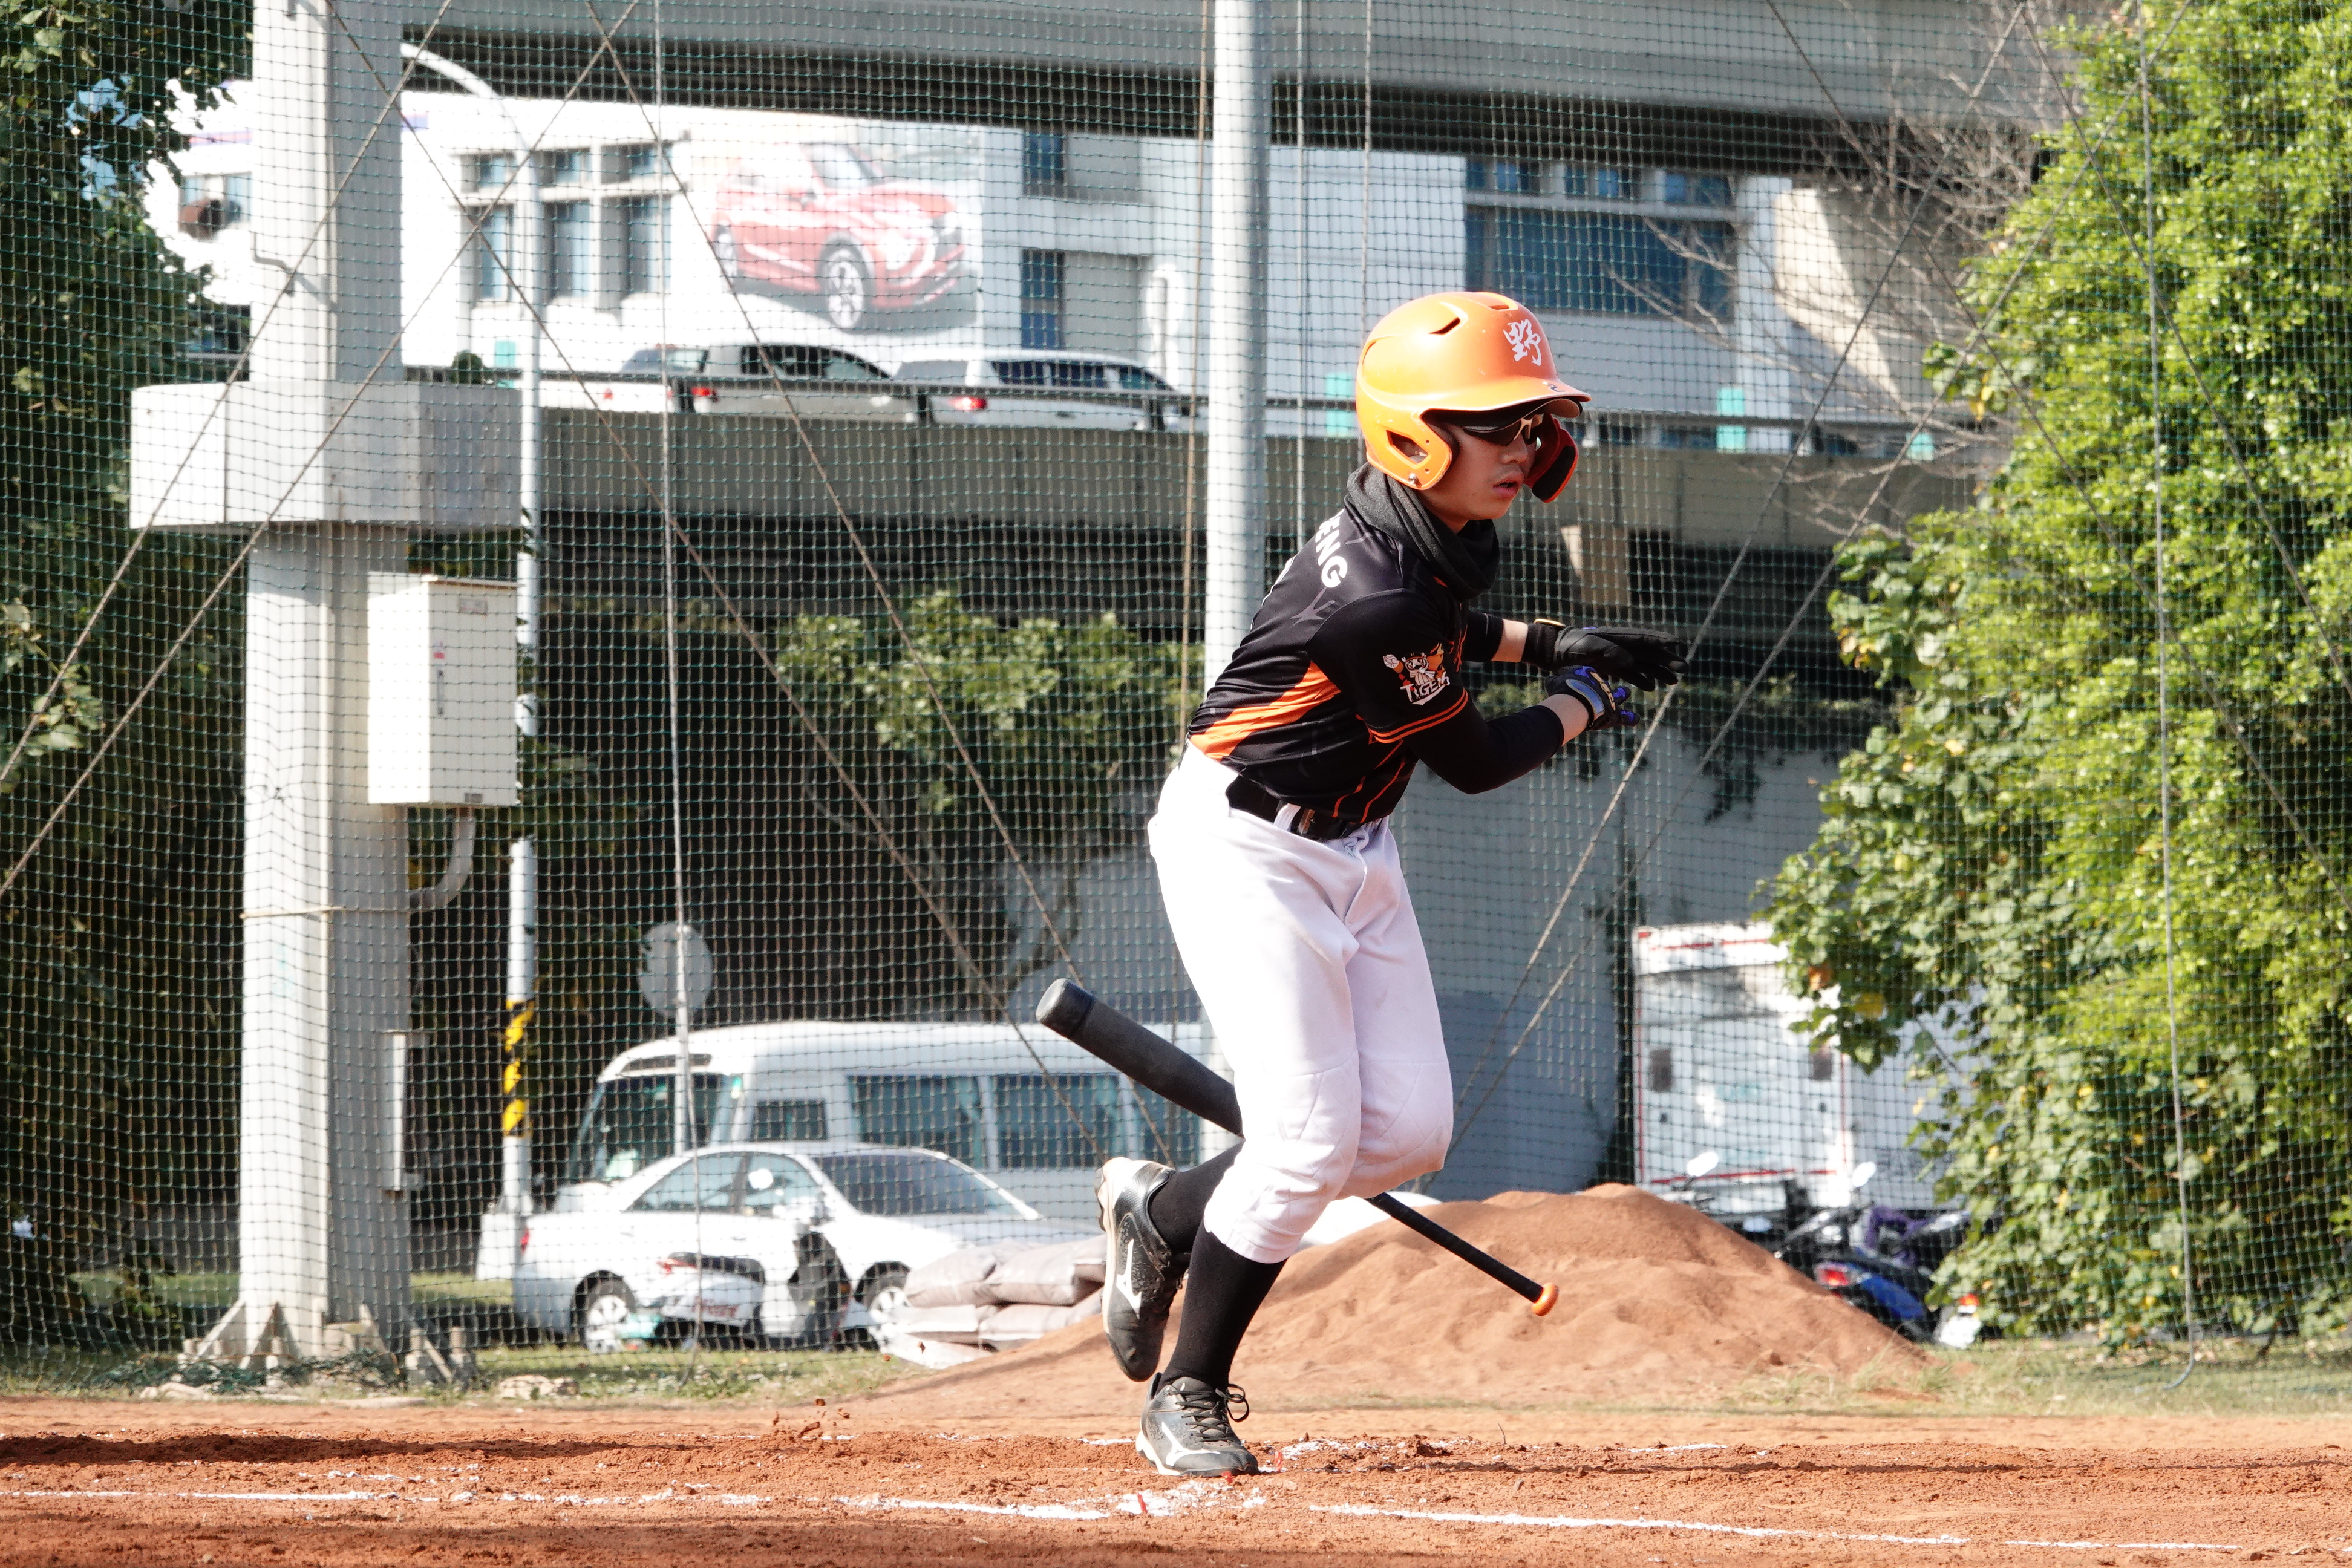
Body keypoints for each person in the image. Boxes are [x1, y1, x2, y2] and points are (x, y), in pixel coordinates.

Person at [1097, 290, 1688, 1476]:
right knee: (1304, 1143)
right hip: (1248, 848)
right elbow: (1473, 759)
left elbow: (1445, 628)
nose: (1523, 446)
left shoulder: (1421, 535)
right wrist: (1585, 701)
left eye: (1532, 424)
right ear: (1417, 433)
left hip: (1354, 845)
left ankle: (1165, 1215)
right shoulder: (1374, 589)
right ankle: (1186, 1395)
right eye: (1496, 424)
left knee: (1405, 1131)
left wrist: (1552, 643)